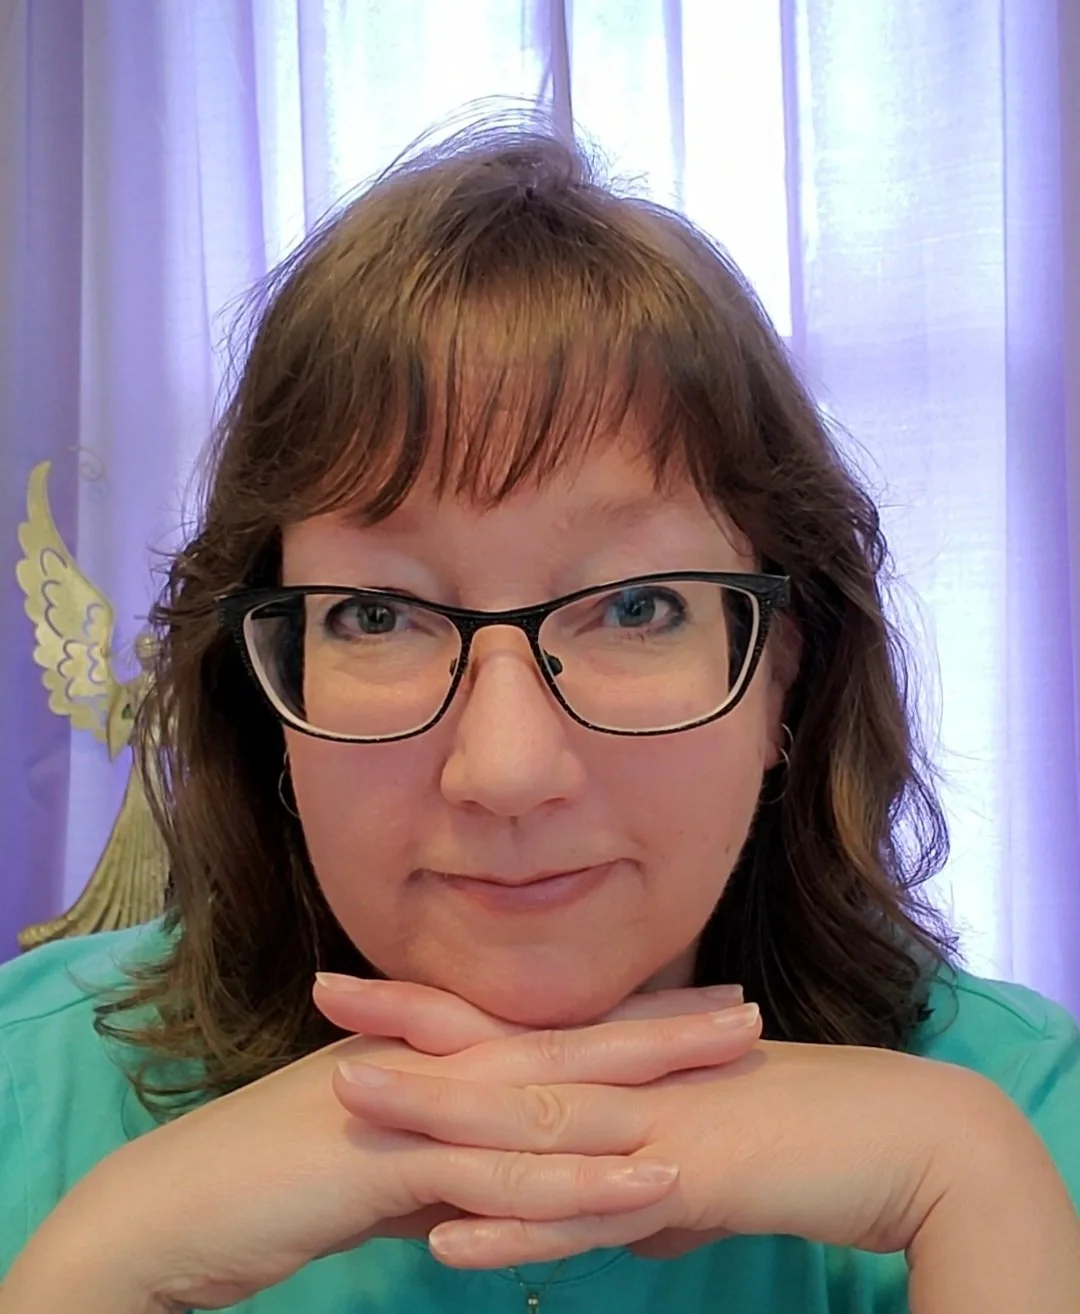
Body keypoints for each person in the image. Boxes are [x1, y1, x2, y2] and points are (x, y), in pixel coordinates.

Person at [1, 116, 1079, 1314]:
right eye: (375, 615)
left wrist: (978, 1203)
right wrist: (92, 1272)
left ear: (785, 674)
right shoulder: (27, 1093)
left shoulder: (1030, 1117)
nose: (507, 770)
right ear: (271, 700)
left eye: (637, 607)